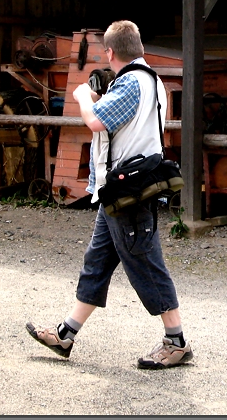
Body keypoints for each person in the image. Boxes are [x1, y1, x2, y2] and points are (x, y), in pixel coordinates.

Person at [25, 20, 193, 369]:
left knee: (145, 263)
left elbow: (97, 121)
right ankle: (65, 335)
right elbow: (125, 121)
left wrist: (84, 97)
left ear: (110, 52)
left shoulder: (131, 82)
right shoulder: (151, 80)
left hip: (127, 190)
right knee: (97, 262)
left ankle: (176, 342)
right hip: (118, 190)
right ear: (139, 47)